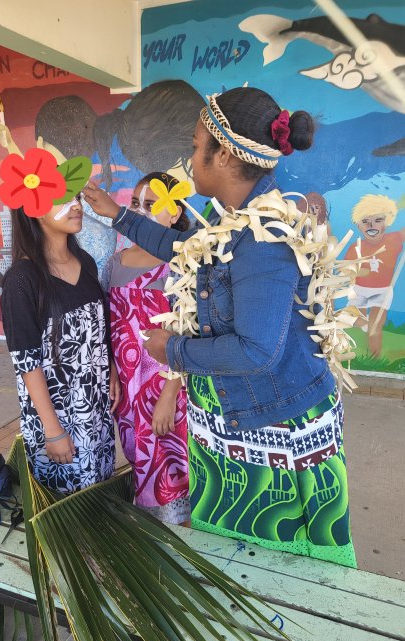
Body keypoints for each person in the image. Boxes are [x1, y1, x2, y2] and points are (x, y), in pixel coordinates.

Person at [84, 86, 357, 567]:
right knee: (236, 562)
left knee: (279, 571)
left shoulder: (263, 239)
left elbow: (256, 351)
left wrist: (172, 351)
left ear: (225, 155)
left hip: (273, 427)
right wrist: (120, 216)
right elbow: (185, 249)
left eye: (195, 147)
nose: (190, 160)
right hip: (237, 422)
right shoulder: (231, 218)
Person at [1, 194, 120, 494]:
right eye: (62, 200)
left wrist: (111, 370)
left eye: (76, 197)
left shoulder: (86, 262)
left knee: (99, 492)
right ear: (34, 209)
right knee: (66, 507)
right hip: (58, 417)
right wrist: (53, 431)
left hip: (95, 411)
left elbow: (97, 329)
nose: (77, 206)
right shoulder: (21, 279)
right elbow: (26, 363)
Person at [102, 172, 190, 524]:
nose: (140, 211)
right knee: (139, 458)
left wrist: (169, 395)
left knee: (173, 466)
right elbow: (109, 325)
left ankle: (182, 536)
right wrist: (112, 370)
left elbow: (188, 333)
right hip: (127, 391)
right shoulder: (115, 262)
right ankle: (152, 534)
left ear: (175, 212)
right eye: (135, 204)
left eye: (151, 205)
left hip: (169, 389)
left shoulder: (182, 264)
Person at [345, 194, 404, 358]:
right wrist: (354, 272)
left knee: (375, 328)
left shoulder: (394, 239)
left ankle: (374, 358)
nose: (371, 225)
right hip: (358, 290)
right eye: (365, 221)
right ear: (358, 225)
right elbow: (346, 270)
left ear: (387, 222)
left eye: (378, 220)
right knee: (353, 319)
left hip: (382, 291)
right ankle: (364, 327)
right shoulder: (356, 247)